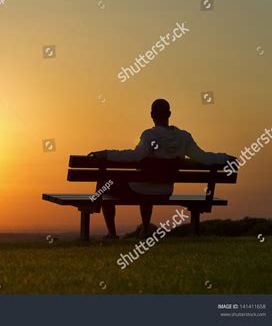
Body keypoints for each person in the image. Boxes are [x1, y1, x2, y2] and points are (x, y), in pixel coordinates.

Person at [88, 99, 234, 239]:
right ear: (169, 114)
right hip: (165, 191)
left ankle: (112, 234)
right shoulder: (184, 137)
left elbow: (134, 155)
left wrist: (105, 154)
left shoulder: (150, 135)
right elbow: (204, 157)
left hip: (141, 189)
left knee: (107, 186)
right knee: (147, 184)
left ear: (151, 115)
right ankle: (145, 230)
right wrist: (226, 158)